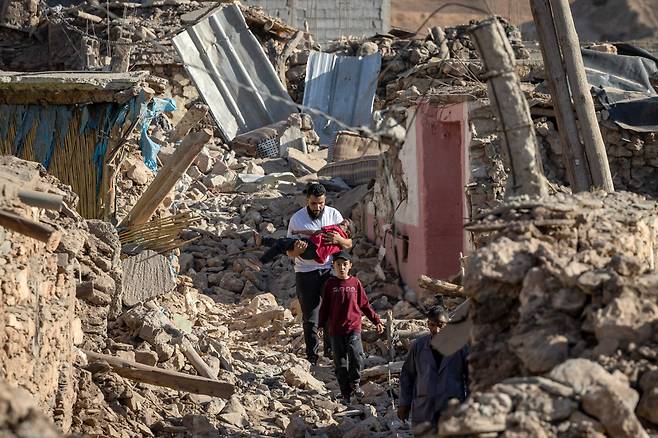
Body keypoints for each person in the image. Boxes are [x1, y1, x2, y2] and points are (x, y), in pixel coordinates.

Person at [287, 182, 352, 365]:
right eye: (314, 203)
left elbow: (348, 245)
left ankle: (332, 353)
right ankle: (312, 357)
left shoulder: (334, 215)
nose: (318, 207)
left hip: (329, 270)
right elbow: (289, 252)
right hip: (305, 272)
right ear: (307, 200)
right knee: (310, 316)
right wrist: (297, 251)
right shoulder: (296, 219)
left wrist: (340, 239)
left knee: (333, 311)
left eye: (321, 203)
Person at [318, 251, 384, 404]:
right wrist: (320, 325)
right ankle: (345, 394)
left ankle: (355, 383)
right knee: (340, 364)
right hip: (335, 330)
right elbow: (325, 307)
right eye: (338, 265)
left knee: (356, 355)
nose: (342, 268)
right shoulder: (330, 284)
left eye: (345, 264)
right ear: (333, 266)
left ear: (350, 266)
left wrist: (376, 321)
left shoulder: (355, 283)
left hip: (353, 327)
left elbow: (364, 305)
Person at [398, 306, 469, 433]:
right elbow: (408, 375)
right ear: (427, 324)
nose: (436, 330)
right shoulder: (418, 346)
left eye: (441, 325)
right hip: (424, 408)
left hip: (451, 407)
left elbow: (470, 377)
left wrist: (471, 404)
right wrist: (404, 403)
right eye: (432, 325)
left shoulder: (460, 346)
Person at [249, 219, 352, 267]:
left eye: (344, 224)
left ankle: (261, 261)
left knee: (282, 244)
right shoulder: (338, 236)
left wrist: (340, 238)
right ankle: (262, 241)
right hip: (311, 251)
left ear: (347, 231)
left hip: (311, 248)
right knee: (282, 244)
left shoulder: (338, 233)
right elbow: (315, 232)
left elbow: (348, 244)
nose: (341, 223)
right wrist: (299, 231)